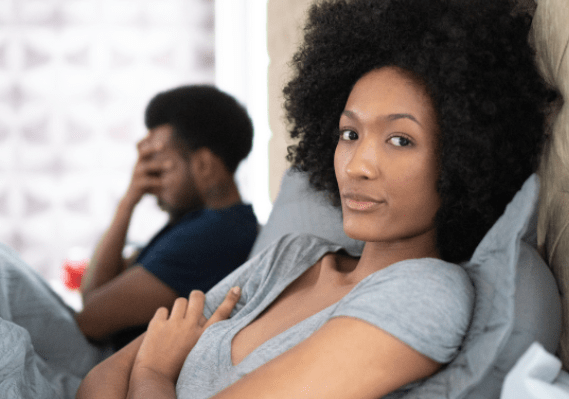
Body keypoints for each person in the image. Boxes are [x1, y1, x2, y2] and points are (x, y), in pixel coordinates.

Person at [76, 0, 551, 398]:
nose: (357, 165)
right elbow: (96, 381)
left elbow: (137, 364)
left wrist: (154, 374)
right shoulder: (290, 255)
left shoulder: (425, 294)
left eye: (400, 139)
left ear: (466, 157)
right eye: (349, 133)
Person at [76, 85, 259, 347]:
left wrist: (128, 203)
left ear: (204, 166)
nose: (148, 178)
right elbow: (96, 292)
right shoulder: (200, 224)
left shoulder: (212, 234)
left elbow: (90, 318)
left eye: (159, 164)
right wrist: (128, 202)